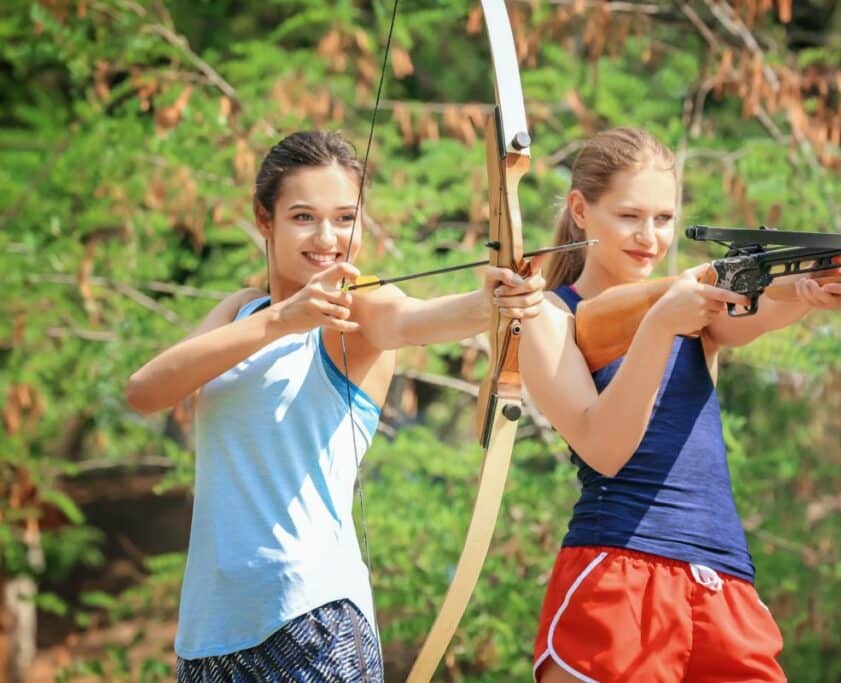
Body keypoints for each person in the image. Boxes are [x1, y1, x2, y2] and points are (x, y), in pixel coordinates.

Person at [125, 130, 546, 682]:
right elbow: (146, 392)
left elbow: (413, 320)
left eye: (345, 218)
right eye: (304, 216)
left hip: (312, 616)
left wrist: (490, 300)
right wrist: (279, 320)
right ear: (264, 219)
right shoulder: (240, 312)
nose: (328, 238)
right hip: (209, 631)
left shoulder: (360, 305)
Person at [520, 127, 841, 683]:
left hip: (724, 580)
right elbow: (604, 448)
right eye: (630, 216)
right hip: (618, 572)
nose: (649, 238)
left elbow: (765, 304)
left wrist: (809, 289)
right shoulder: (551, 316)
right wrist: (659, 327)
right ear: (580, 210)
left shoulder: (689, 307)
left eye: (664, 218)